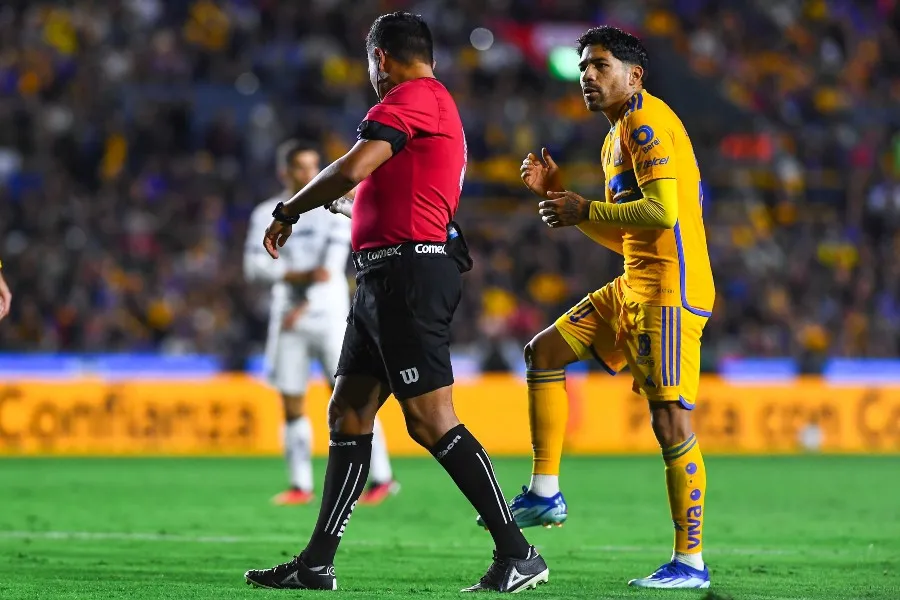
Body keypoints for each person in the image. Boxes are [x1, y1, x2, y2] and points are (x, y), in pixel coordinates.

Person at [244, 11, 549, 593]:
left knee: (430, 420)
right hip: (382, 279)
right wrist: (352, 207)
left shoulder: (411, 98)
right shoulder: (431, 107)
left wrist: (291, 208)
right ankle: (316, 563)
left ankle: (518, 552)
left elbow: (353, 165)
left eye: (369, 63)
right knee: (349, 413)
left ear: (380, 58)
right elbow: (381, 185)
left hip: (409, 274)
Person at [477, 26, 715, 589]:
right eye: (584, 66)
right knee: (543, 352)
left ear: (634, 75)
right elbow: (630, 234)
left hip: (668, 292)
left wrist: (584, 207)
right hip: (634, 280)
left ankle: (691, 562)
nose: (587, 75)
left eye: (599, 65)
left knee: (669, 420)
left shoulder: (647, 122)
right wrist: (572, 207)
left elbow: (660, 214)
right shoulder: (614, 139)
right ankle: (544, 492)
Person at [244, 140, 398, 506]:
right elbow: (254, 268)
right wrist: (294, 277)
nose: (310, 174)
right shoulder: (266, 212)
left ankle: (381, 478)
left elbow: (329, 269)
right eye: (301, 167)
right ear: (285, 172)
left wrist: (303, 294)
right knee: (292, 402)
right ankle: (300, 485)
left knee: (356, 397)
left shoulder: (333, 208)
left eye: (314, 166)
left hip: (331, 317)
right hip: (288, 320)